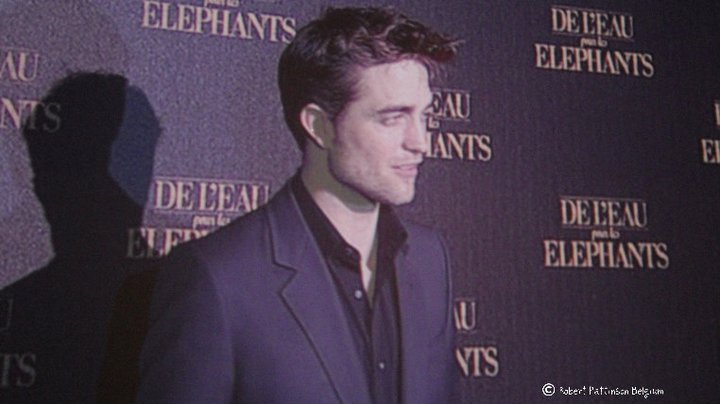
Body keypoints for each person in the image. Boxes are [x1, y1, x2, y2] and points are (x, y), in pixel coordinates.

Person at [136, 6, 459, 404]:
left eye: (424, 115)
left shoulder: (429, 259)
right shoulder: (218, 278)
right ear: (319, 126)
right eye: (393, 118)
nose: (420, 142)